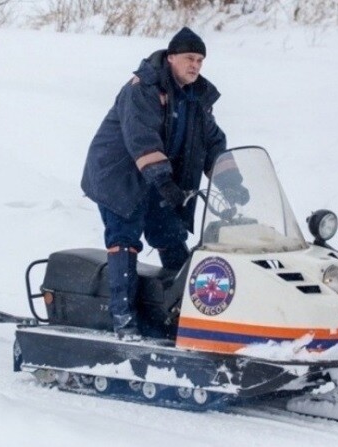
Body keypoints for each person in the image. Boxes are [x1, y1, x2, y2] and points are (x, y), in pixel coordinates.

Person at [81, 27, 249, 340]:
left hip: (157, 179)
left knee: (170, 237)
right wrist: (165, 182)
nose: (195, 65)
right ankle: (124, 320)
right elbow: (142, 140)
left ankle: (183, 313)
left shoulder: (196, 99)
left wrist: (232, 182)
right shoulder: (143, 89)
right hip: (120, 177)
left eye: (200, 60)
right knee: (125, 239)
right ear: (171, 57)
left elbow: (213, 143)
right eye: (189, 58)